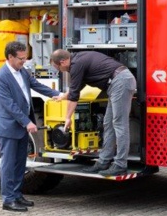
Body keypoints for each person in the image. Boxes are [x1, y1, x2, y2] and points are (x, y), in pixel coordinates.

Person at [0, 41, 59, 212]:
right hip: (8, 127)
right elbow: (10, 105)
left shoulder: (23, 71)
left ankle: (17, 194)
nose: (24, 61)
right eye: (21, 58)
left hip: (21, 127)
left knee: (20, 163)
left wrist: (57, 95)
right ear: (10, 57)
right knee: (8, 164)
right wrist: (27, 122)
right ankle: (8, 199)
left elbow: (36, 85)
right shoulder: (1, 77)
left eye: (25, 58)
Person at [50, 49, 135, 177]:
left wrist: (67, 118)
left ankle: (120, 165)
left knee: (119, 124)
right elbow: (78, 86)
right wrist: (63, 96)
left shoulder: (76, 65)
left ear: (62, 61)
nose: (59, 70)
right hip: (118, 82)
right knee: (108, 123)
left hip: (120, 82)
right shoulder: (78, 60)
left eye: (57, 67)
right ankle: (103, 162)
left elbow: (74, 96)